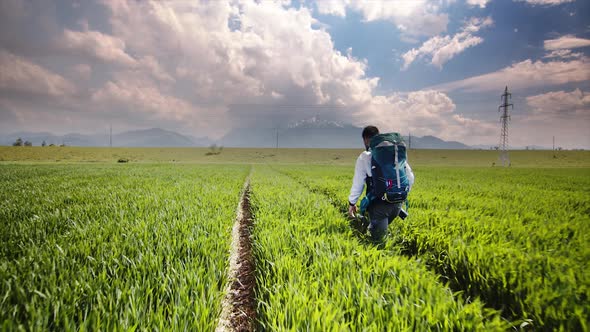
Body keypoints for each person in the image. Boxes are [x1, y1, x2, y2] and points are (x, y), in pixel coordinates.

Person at [348, 126, 414, 242]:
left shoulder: (365, 157)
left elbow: (358, 183)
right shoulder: (394, 155)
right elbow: (410, 177)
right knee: (377, 232)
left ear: (365, 140)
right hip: (397, 205)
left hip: (379, 207)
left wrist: (352, 203)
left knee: (377, 243)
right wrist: (397, 194)